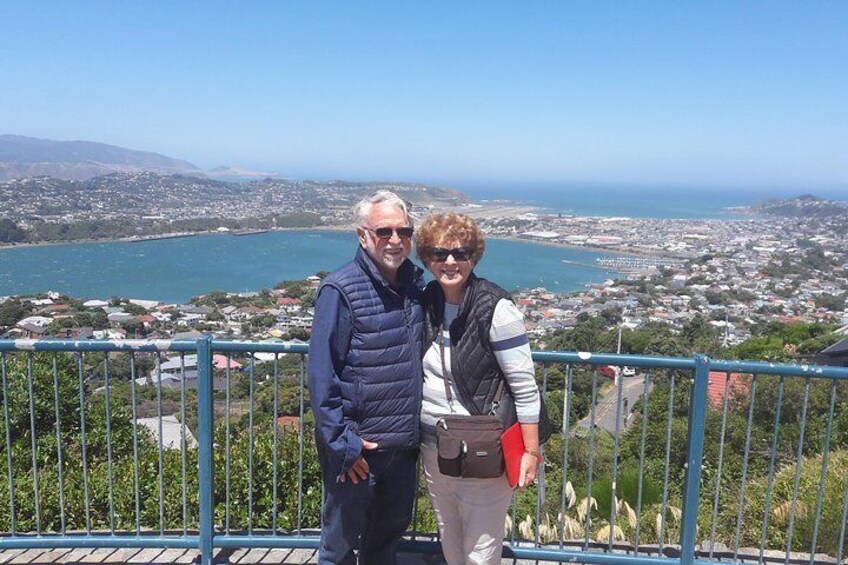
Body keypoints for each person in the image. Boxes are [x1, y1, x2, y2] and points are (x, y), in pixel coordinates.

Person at [416, 212, 542, 565]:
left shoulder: (497, 309)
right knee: (450, 536)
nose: (451, 261)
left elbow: (525, 387)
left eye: (461, 252)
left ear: (476, 256)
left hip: (484, 448)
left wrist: (530, 452)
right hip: (434, 446)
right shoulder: (427, 302)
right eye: (440, 253)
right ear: (426, 258)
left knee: (482, 549)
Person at [308, 190, 424, 565]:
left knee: (384, 545)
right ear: (363, 236)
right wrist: (344, 445)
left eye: (403, 231)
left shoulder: (416, 289)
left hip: (403, 450)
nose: (395, 240)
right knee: (340, 547)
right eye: (383, 231)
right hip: (359, 450)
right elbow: (322, 375)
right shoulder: (340, 289)